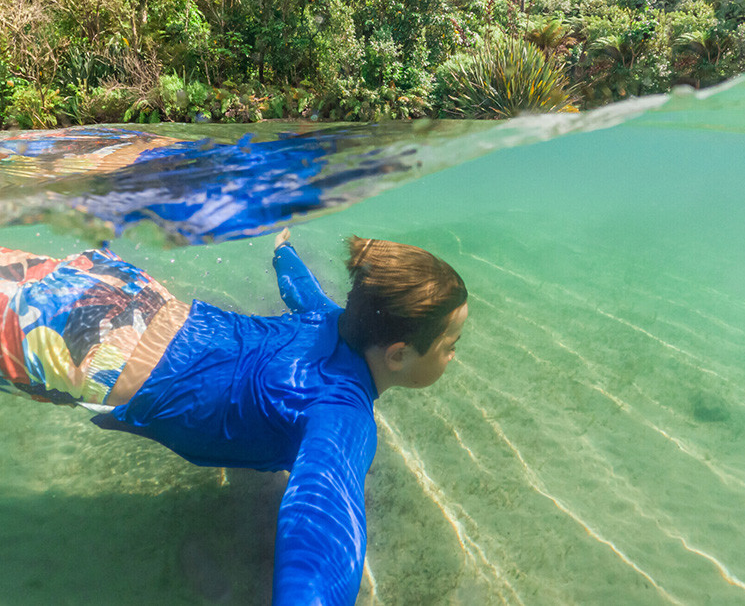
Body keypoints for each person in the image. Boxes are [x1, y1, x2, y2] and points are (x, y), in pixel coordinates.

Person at [0, 228, 468, 605]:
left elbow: (298, 286)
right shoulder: (343, 414)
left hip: (126, 292)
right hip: (86, 348)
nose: (452, 356)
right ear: (399, 354)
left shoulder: (325, 316)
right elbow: (322, 522)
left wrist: (282, 248)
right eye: (450, 346)